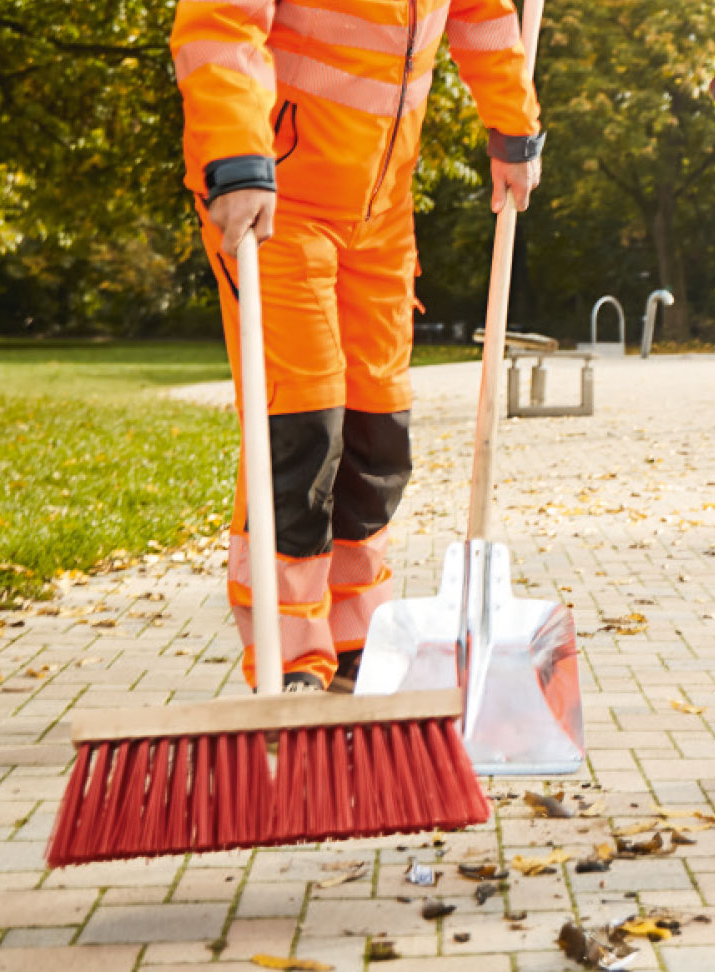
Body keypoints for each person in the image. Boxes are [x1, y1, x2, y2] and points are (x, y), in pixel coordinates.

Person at [171, 0, 544, 692]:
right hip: (276, 200)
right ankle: (290, 657)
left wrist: (514, 128)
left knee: (379, 433)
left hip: (382, 213)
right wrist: (234, 159)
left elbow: (485, 18)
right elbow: (219, 28)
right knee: (303, 429)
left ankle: (353, 639)